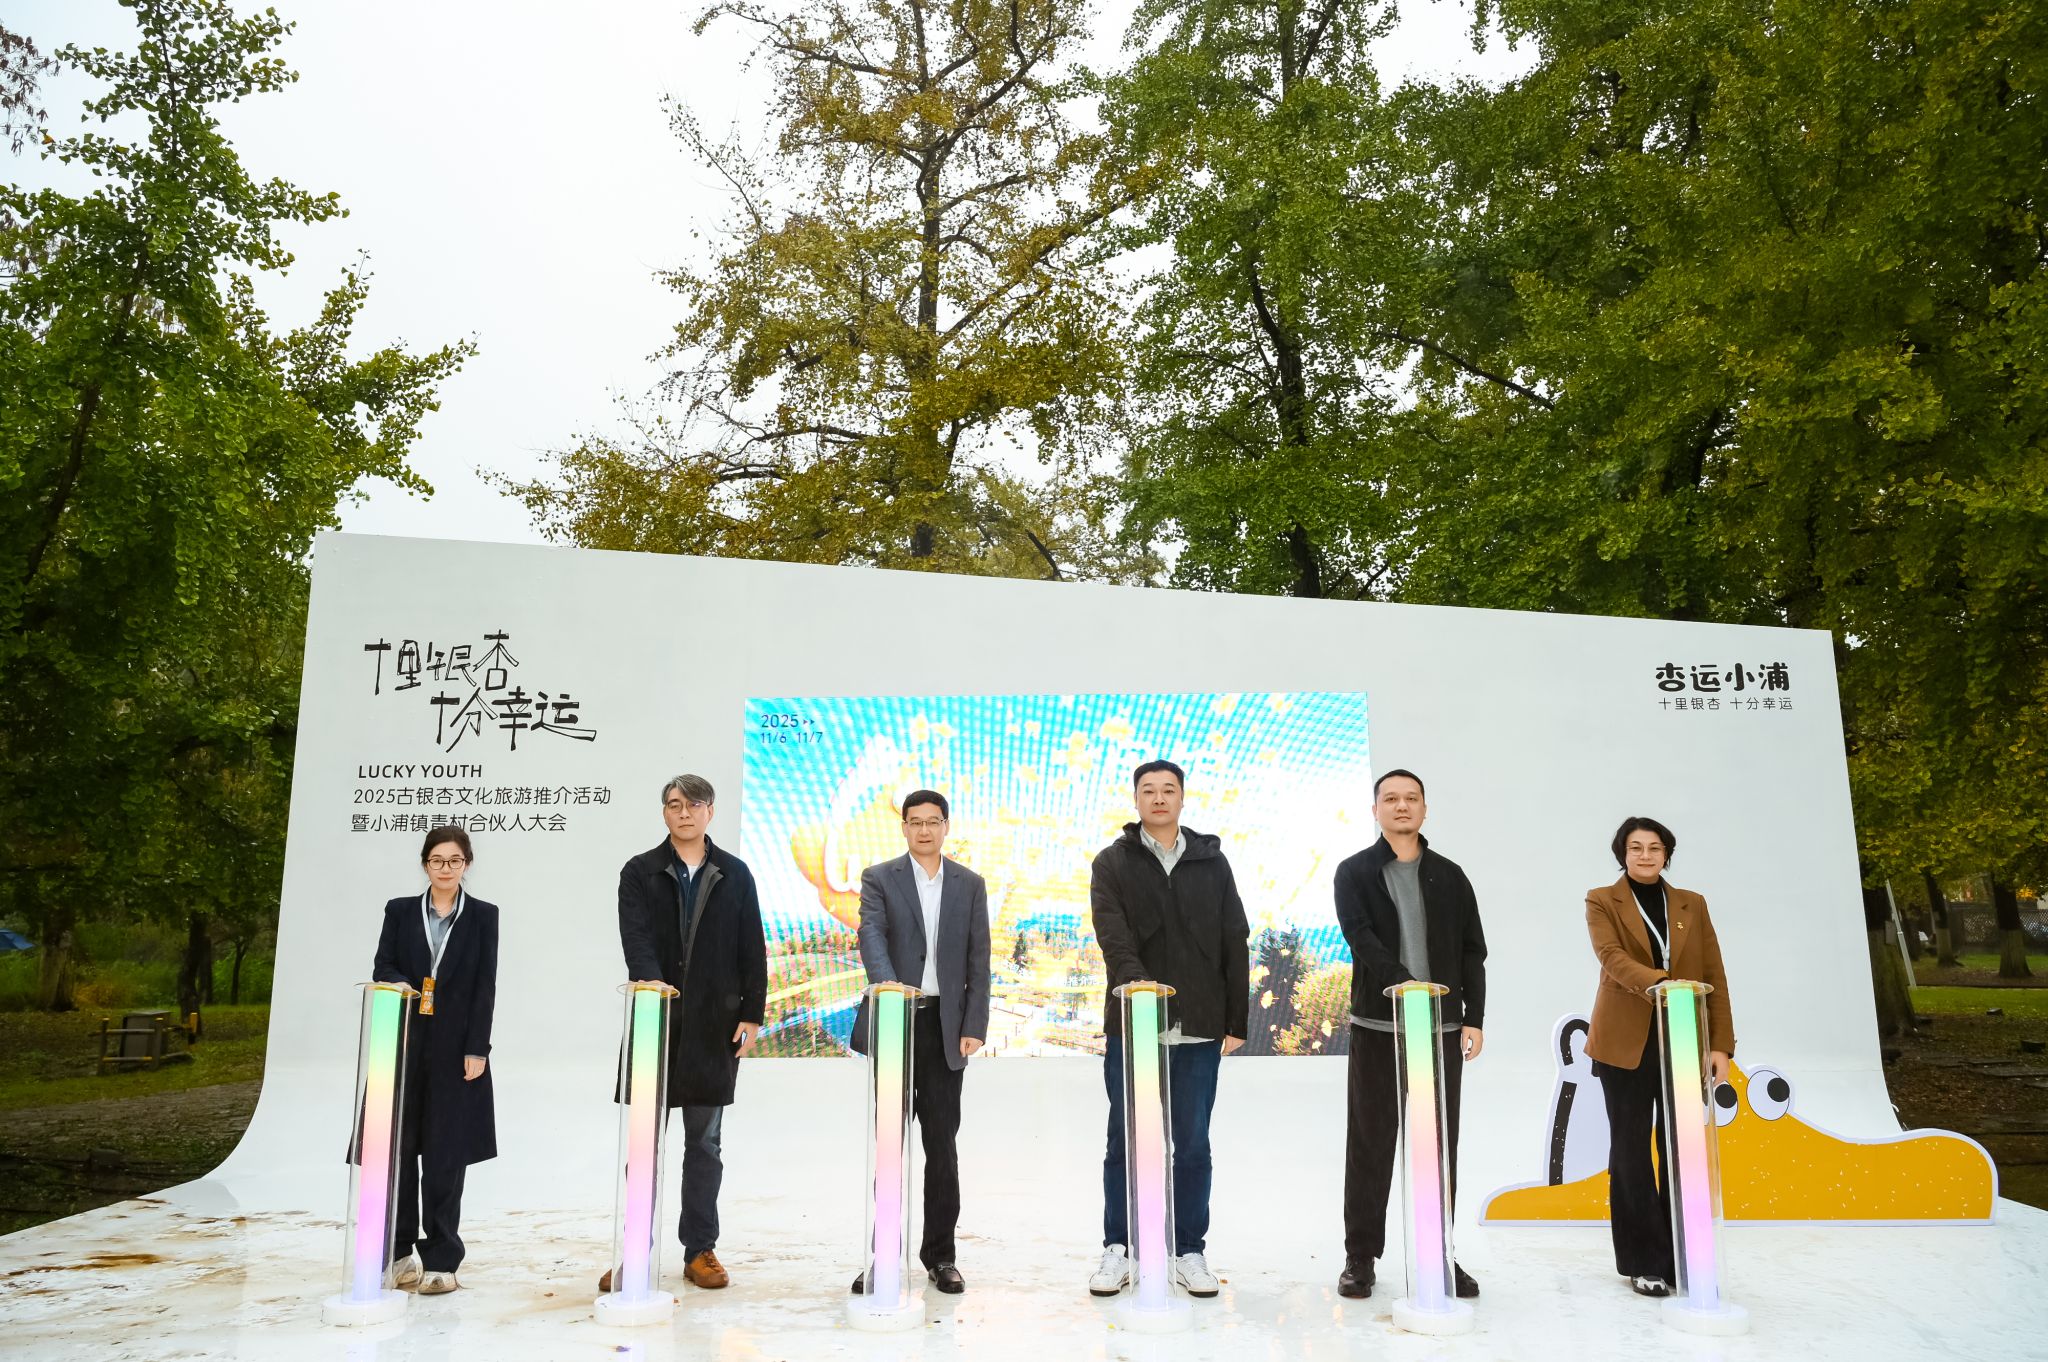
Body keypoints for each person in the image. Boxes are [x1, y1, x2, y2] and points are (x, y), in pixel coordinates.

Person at [1087, 760, 1249, 1301]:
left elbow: (1234, 937)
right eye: (1148, 790)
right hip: (1133, 1025)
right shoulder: (1112, 862)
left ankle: (1188, 1251)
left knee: (1194, 1143)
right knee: (1124, 1141)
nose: (1159, 798)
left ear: (1182, 798)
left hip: (1199, 1026)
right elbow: (1112, 934)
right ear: (1135, 800)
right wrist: (1140, 989)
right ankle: (1119, 1248)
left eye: (1168, 790)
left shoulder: (1212, 862)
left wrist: (1236, 1018)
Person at [603, 773, 767, 1292]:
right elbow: (635, 938)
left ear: (710, 811)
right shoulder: (640, 871)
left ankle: (700, 1250)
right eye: (675, 804)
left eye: (695, 804)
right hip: (655, 1021)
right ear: (665, 812)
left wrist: (752, 1013)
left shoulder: (735, 873)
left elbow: (752, 945)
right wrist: (653, 986)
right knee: (643, 1147)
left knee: (705, 1145)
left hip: (715, 1028)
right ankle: (634, 1252)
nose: (685, 813)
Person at [1333, 768, 1486, 1300]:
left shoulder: (1451, 875)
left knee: (1438, 1148)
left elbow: (1472, 950)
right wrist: (1404, 984)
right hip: (1378, 1028)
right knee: (1370, 1145)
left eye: (1411, 798)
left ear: (1424, 808)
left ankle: (1438, 1253)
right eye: (1391, 798)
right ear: (1375, 810)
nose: (1402, 806)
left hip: (1440, 1031)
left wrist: (1474, 1015)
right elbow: (1360, 938)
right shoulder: (1354, 872)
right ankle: (1360, 1257)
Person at [847, 790, 991, 1295]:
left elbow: (978, 959)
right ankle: (883, 1255)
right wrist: (890, 991)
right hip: (896, 1021)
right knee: (890, 1147)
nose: (924, 830)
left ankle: (941, 1257)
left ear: (946, 826)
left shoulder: (970, 884)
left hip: (945, 1029)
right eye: (915, 822)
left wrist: (975, 1023)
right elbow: (871, 935)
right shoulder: (879, 878)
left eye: (933, 821)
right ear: (904, 827)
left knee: (941, 1149)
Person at [1584, 816, 1735, 1298]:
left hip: (1683, 1039)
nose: (1645, 855)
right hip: (1623, 1044)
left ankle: (1680, 1259)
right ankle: (1643, 1262)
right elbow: (1610, 956)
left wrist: (1720, 1044)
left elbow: (1715, 973)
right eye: (1635, 847)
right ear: (1622, 854)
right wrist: (1662, 983)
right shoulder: (1601, 900)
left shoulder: (1692, 903)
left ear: (1667, 854)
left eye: (1654, 847)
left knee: (1681, 1149)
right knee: (1631, 1151)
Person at [370, 824, 499, 1296]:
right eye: (437, 860)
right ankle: (399, 1255)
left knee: (446, 1157)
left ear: (467, 864)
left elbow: (485, 985)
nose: (446, 868)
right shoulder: (400, 911)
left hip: (455, 1049)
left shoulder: (483, 916)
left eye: (455, 861)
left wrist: (477, 1047)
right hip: (403, 1043)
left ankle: (442, 1259)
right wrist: (399, 983)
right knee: (398, 1152)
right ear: (425, 864)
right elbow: (383, 965)